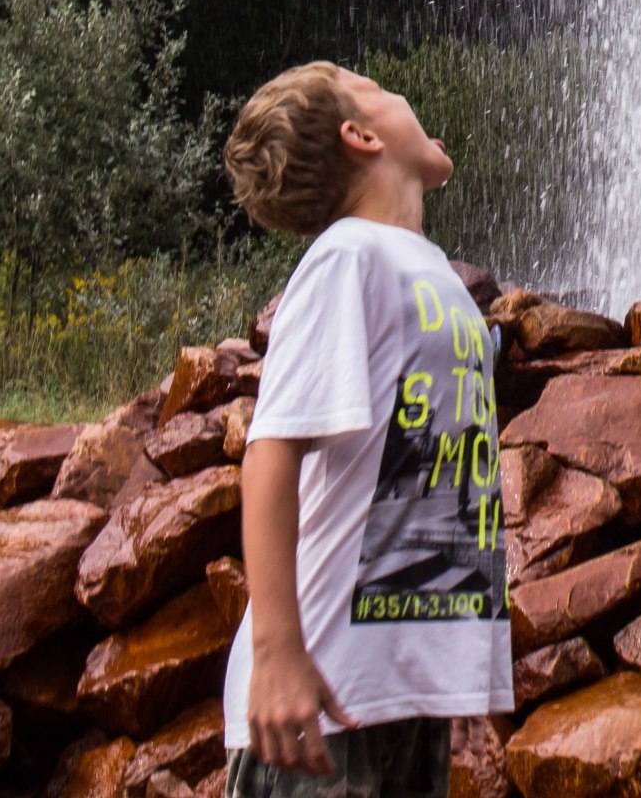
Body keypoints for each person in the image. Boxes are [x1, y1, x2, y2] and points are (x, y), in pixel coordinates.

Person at [218, 62, 512, 792]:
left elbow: (435, 472)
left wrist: (451, 660)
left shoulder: (427, 271)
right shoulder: (346, 257)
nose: (403, 94)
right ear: (361, 136)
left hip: (395, 695)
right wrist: (277, 652)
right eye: (380, 89)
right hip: (318, 690)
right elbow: (270, 453)